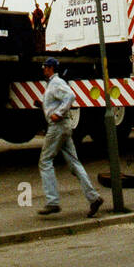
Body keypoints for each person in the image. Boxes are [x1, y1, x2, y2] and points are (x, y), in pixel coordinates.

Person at [37, 57, 103, 218]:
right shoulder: (52, 84)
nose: (43, 69)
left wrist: (57, 114)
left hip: (57, 127)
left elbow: (70, 96)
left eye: (45, 67)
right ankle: (94, 198)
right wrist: (42, 105)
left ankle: (52, 201)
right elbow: (57, 101)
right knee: (74, 163)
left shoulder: (57, 82)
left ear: (51, 68)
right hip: (64, 127)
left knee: (45, 161)